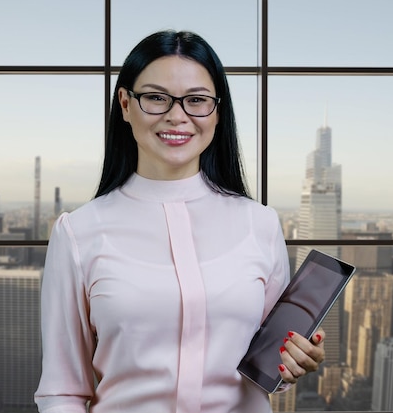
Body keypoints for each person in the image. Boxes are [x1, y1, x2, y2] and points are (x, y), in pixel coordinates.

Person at [34, 30, 325, 413]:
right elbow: (63, 393)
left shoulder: (261, 223)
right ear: (125, 103)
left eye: (197, 101)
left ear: (218, 111)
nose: (177, 115)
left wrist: (291, 365)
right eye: (156, 97)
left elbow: (267, 366)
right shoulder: (78, 232)